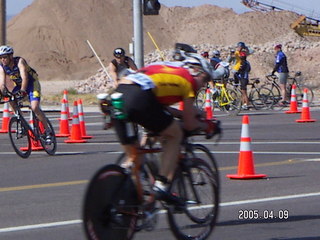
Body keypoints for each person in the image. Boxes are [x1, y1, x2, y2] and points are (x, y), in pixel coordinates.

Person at [111, 45, 219, 205]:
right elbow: (189, 125)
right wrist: (208, 126)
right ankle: (161, 185)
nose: (203, 85)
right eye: (205, 80)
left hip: (118, 97)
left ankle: (130, 196)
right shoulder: (188, 81)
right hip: (140, 98)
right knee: (175, 134)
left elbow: (160, 107)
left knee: (136, 155)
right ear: (197, 72)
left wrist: (183, 114)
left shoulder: (167, 70)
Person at [0, 45, 52, 142]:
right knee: (11, 99)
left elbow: (25, 77)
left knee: (35, 107)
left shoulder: (19, 61)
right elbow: (2, 83)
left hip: (32, 84)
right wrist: (2, 94)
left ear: (11, 56)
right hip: (19, 85)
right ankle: (22, 123)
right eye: (1, 58)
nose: (3, 60)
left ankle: (47, 131)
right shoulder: (2, 67)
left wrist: (23, 91)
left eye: (5, 57)